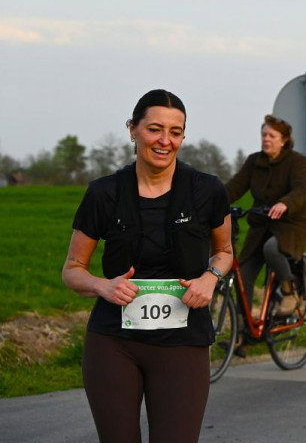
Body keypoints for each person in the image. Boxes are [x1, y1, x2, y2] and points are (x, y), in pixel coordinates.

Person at [62, 89, 232, 443]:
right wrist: (102, 285)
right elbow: (73, 268)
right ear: (133, 129)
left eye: (175, 132)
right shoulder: (104, 193)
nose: (165, 141)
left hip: (183, 342)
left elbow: (225, 252)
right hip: (114, 341)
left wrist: (210, 277)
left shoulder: (207, 190)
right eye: (155, 129)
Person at [224, 115, 306, 320]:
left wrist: (285, 204)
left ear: (284, 140)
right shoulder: (254, 161)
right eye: (264, 135)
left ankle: (289, 292)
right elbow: (235, 187)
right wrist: (211, 201)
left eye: (272, 136)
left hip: (291, 225)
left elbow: (301, 190)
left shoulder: (297, 161)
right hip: (261, 225)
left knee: (272, 249)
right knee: (243, 275)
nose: (266, 139)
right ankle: (244, 330)